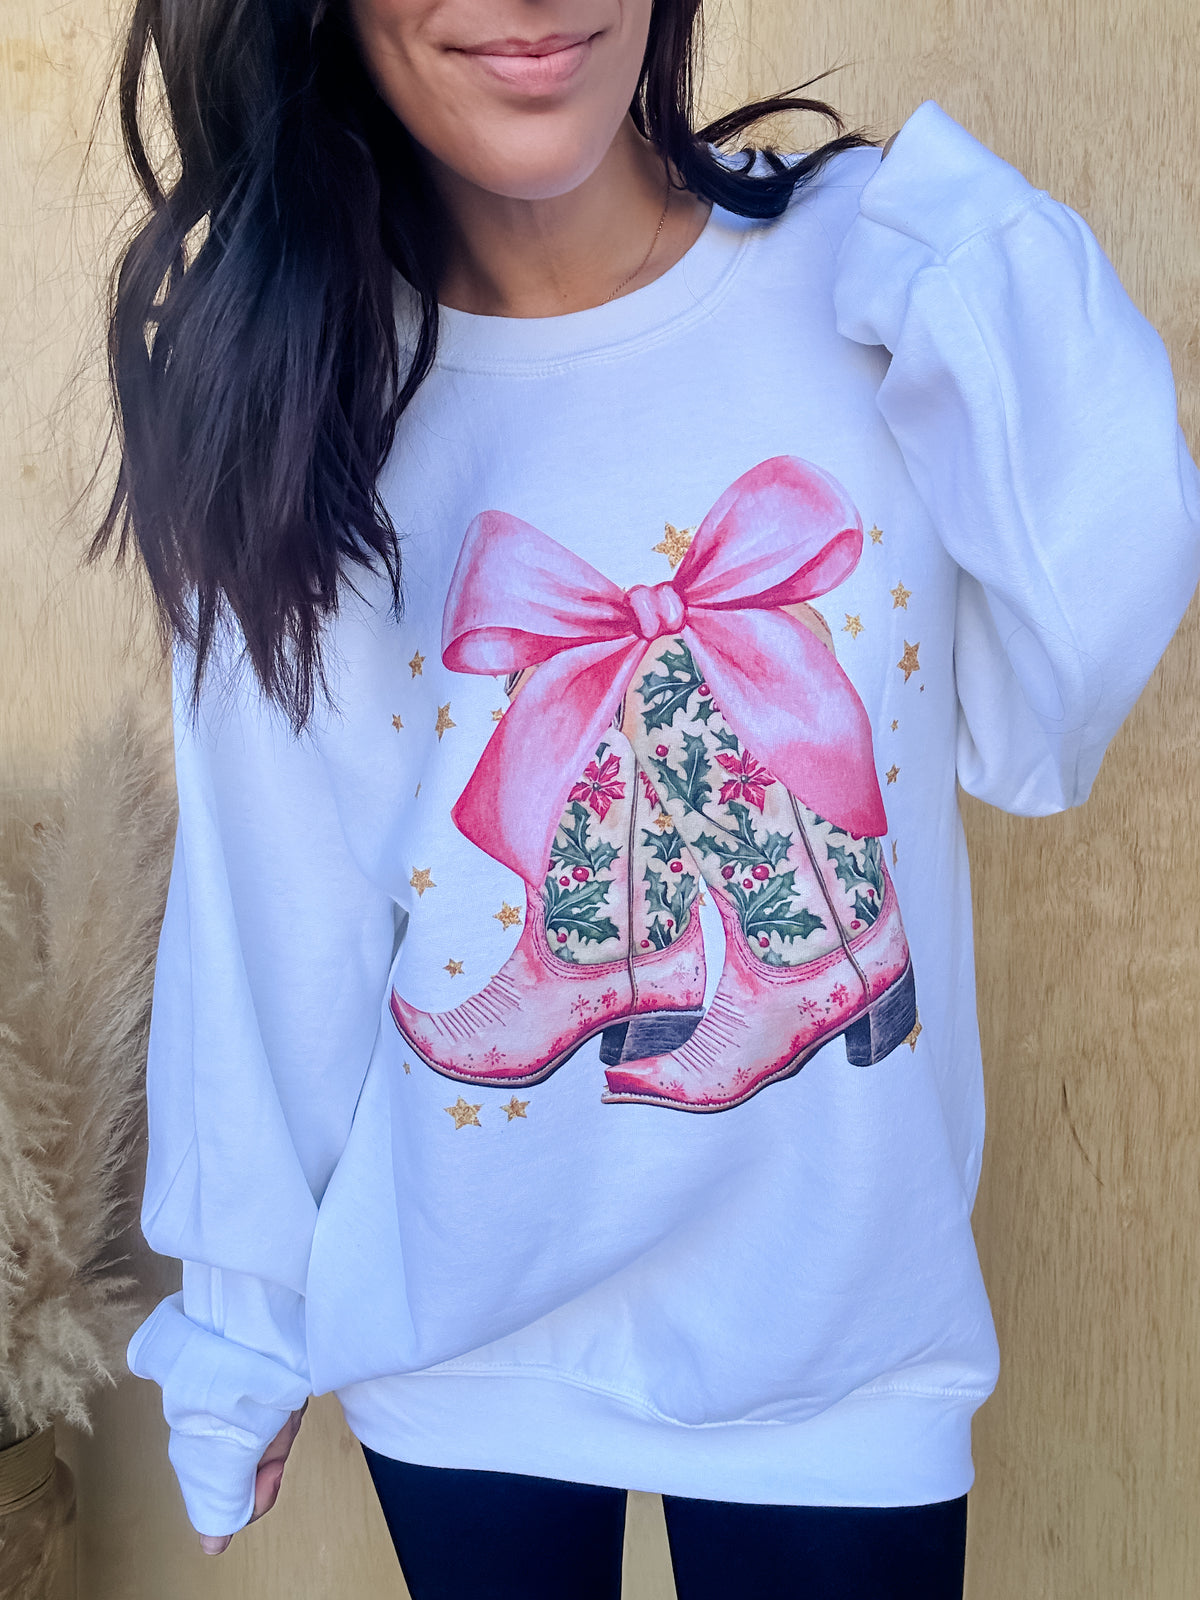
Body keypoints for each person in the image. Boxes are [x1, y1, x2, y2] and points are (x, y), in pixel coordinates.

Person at [99, 0, 1200, 1595]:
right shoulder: (298, 386)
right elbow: (272, 915)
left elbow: (1047, 721)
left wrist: (976, 261)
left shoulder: (870, 277)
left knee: (672, 663)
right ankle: (609, 940)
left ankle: (796, 953)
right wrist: (239, 1329)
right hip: (461, 1338)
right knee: (634, 678)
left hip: (843, 1341)